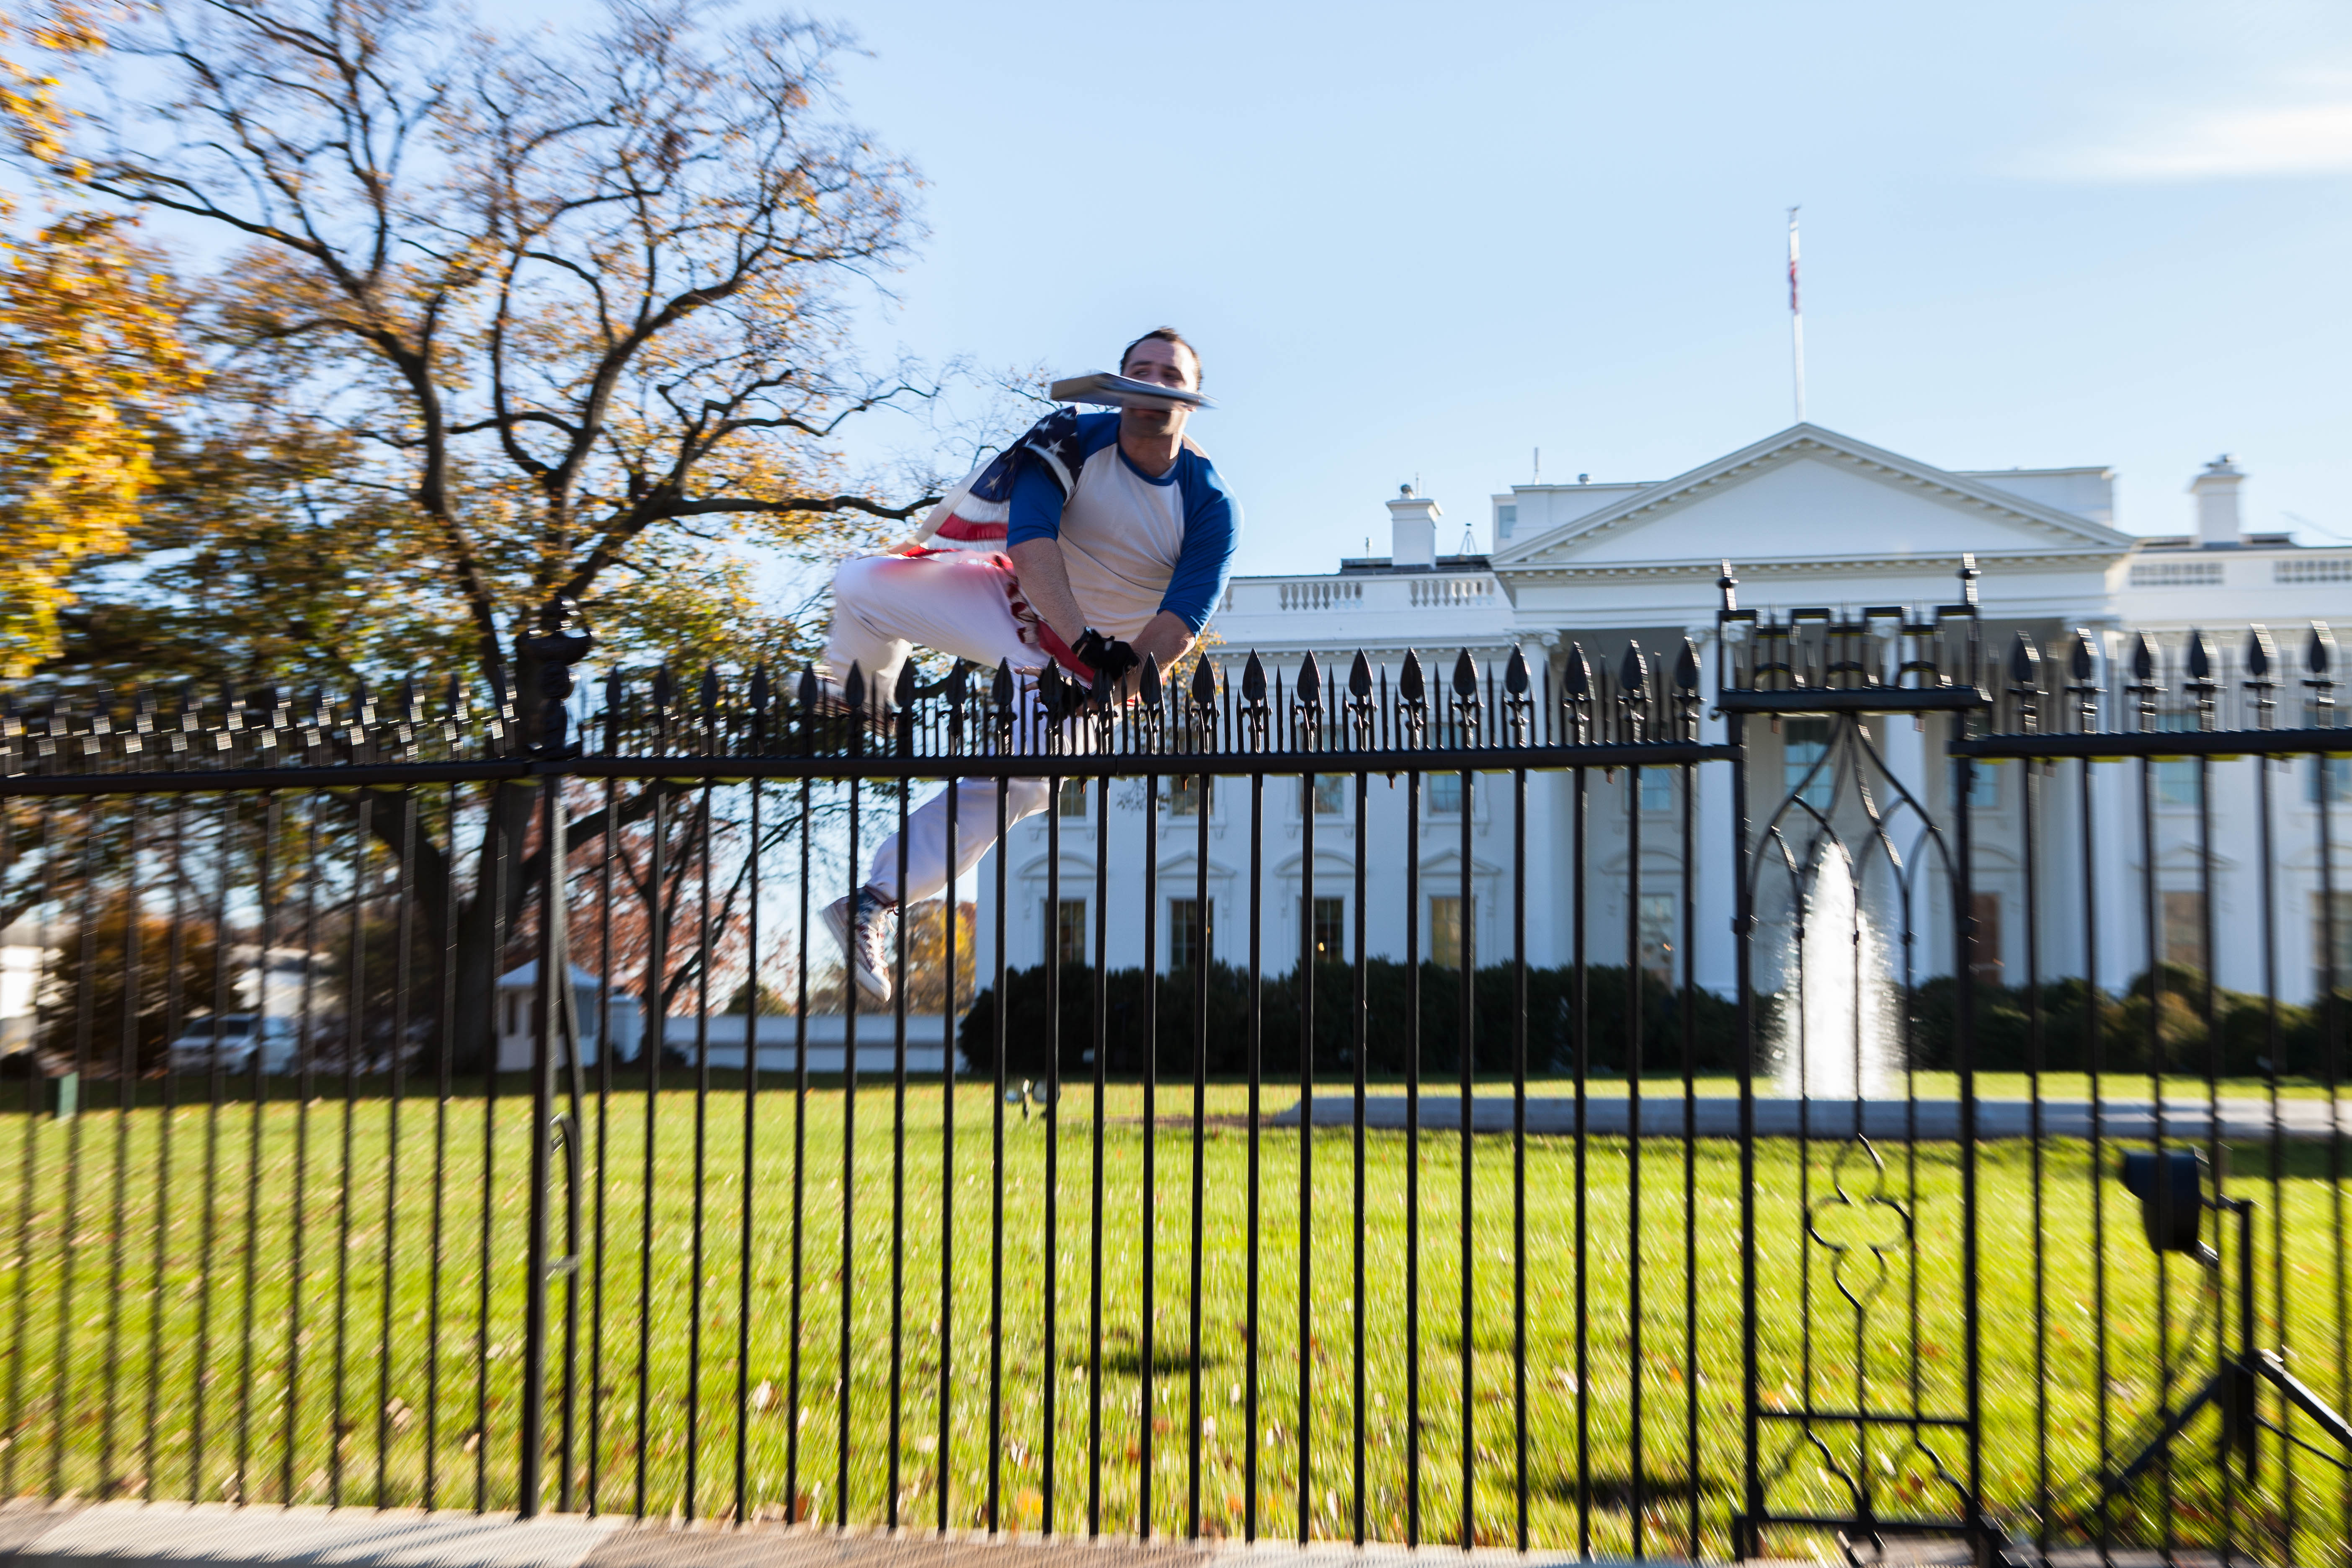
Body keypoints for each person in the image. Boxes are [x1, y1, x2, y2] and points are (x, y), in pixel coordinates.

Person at [819, 328, 1242, 1001]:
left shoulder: (1210, 505)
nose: (1153, 383)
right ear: (1118, 380)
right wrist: (1080, 636)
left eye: (1170, 375)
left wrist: (1112, 686)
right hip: (1018, 607)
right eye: (1140, 370)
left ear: (1189, 398)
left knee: (1022, 780)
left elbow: (1178, 627)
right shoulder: (1071, 439)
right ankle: (854, 690)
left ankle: (873, 901)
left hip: (1094, 679)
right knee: (863, 583)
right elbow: (1033, 543)